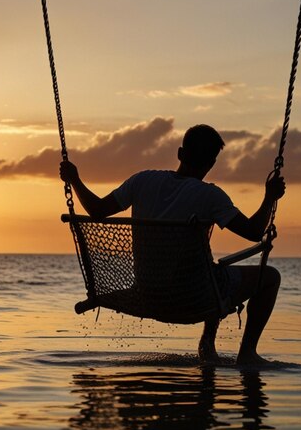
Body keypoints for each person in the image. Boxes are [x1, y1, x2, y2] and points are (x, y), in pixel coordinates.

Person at [59, 124, 285, 367]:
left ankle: (208, 345)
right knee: (268, 277)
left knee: (212, 270)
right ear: (211, 163)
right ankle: (244, 352)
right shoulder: (210, 196)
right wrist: (269, 197)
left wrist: (74, 179)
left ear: (180, 153)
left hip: (148, 294)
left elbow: (97, 210)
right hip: (196, 297)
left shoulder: (142, 181)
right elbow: (253, 232)